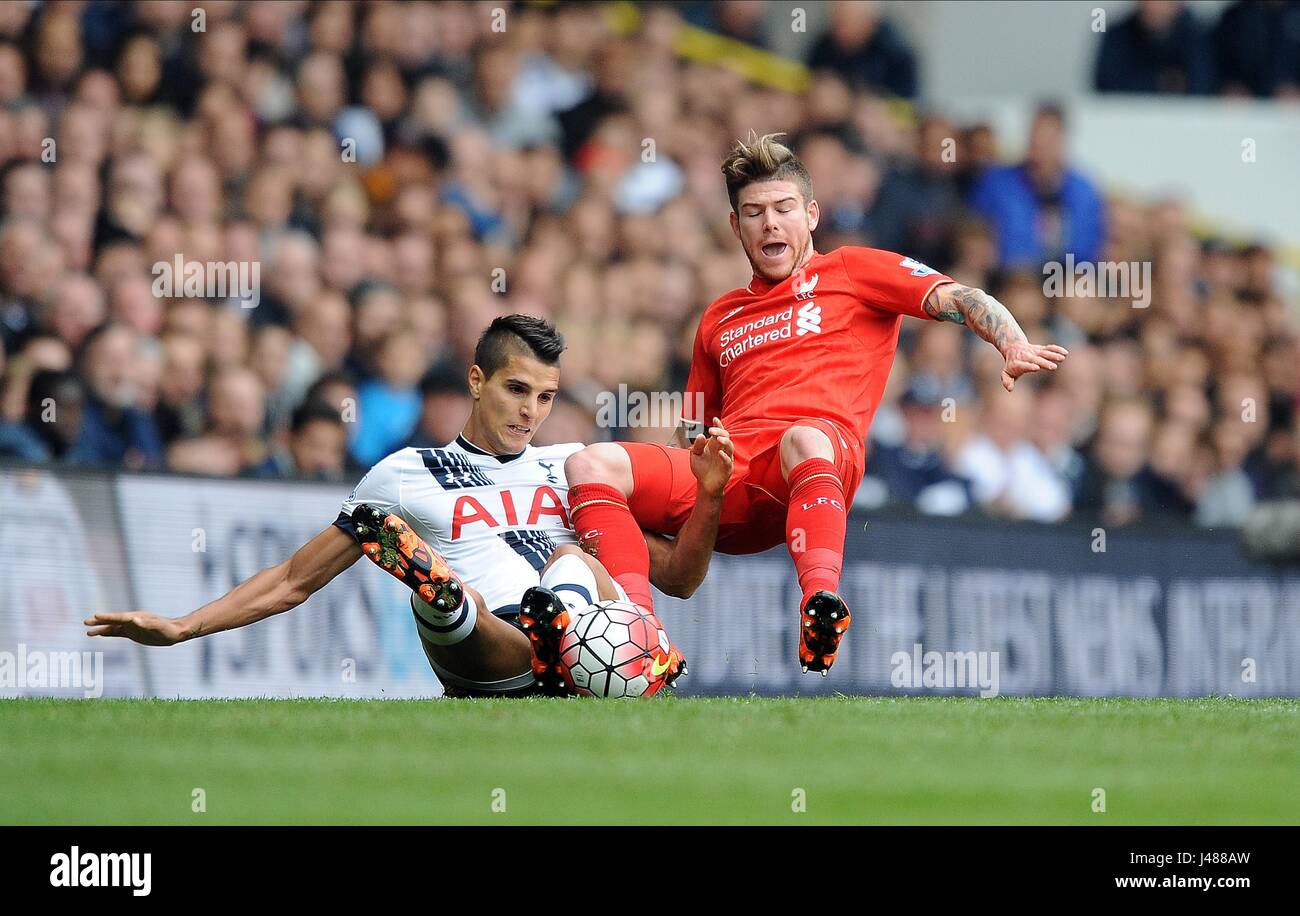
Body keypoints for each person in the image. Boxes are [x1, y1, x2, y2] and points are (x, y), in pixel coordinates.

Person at [564, 133, 1067, 675]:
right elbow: (692, 432)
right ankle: (639, 633)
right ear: (736, 226)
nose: (770, 224)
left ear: (812, 215)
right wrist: (694, 482)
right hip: (732, 477)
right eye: (753, 213)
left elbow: (962, 297)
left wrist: (1010, 340)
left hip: (812, 463)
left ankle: (819, 605)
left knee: (806, 437)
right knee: (587, 464)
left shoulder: (853, 270)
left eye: (783, 209)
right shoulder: (718, 317)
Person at [85, 316, 732, 698]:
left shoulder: (567, 467)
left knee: (572, 558)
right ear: (476, 383)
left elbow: (676, 575)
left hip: (578, 646)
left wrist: (708, 497)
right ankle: (457, 600)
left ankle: (572, 631)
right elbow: (291, 579)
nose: (531, 412)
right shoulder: (404, 474)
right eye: (516, 390)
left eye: (545, 396)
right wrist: (181, 627)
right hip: (489, 653)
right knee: (451, 598)